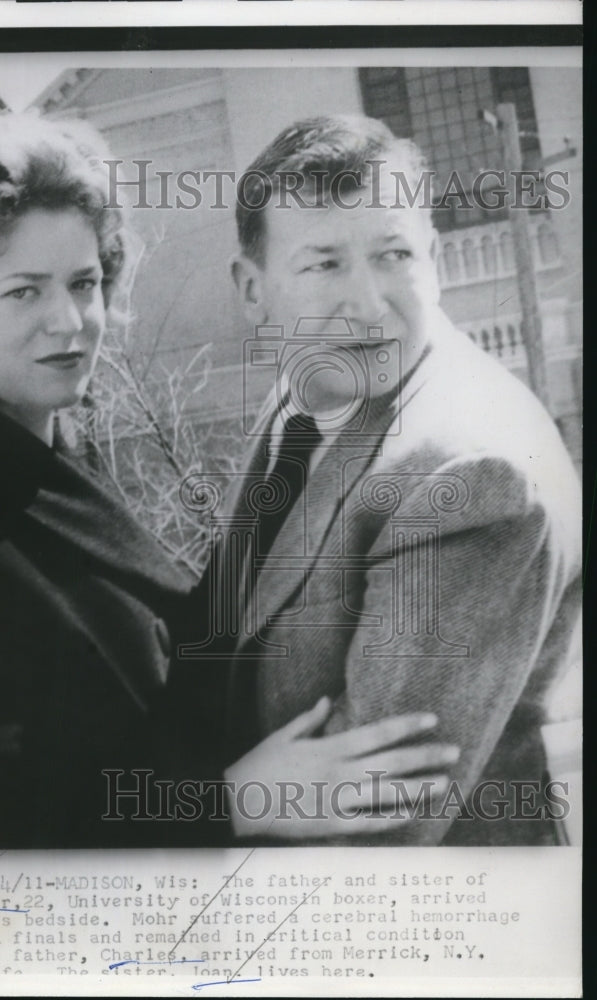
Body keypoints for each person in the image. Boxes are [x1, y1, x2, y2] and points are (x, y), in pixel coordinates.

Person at [0, 104, 457, 851]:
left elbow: (165, 651)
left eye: (84, 283)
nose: (70, 320)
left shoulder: (45, 457)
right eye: (24, 291)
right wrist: (230, 803)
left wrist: (307, 440)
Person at [203, 114, 581, 845]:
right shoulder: (313, 387)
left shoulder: (470, 477)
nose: (369, 301)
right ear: (253, 292)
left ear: (432, 257)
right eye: (324, 264)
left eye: (393, 254)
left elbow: (371, 827)